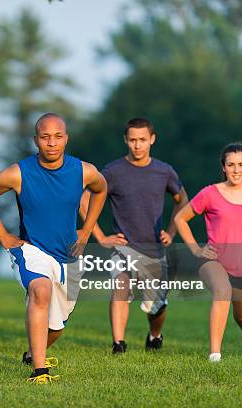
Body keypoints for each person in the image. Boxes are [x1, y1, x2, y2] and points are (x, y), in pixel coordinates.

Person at [0, 113, 106, 384]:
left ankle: (33, 353)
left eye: (57, 137)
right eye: (45, 137)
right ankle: (40, 371)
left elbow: (101, 189)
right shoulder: (18, 173)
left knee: (56, 327)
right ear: (36, 140)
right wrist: (2, 234)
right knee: (40, 290)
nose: (51, 143)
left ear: (66, 139)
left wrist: (87, 228)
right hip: (32, 250)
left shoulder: (83, 170)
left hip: (69, 256)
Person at [80, 117, 188, 353]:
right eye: (132, 140)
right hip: (124, 246)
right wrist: (98, 235)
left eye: (142, 140)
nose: (137, 145)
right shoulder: (113, 171)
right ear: (125, 140)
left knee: (155, 307)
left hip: (154, 250)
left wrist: (171, 232)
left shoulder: (164, 171)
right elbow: (84, 199)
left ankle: (155, 336)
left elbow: (183, 201)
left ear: (152, 139)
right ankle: (118, 344)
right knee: (121, 285)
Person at [174, 142, 242, 362]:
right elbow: (180, 218)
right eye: (231, 165)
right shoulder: (210, 193)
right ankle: (215, 355)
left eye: (241, 165)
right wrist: (197, 249)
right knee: (222, 290)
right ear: (223, 167)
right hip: (213, 261)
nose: (236, 170)